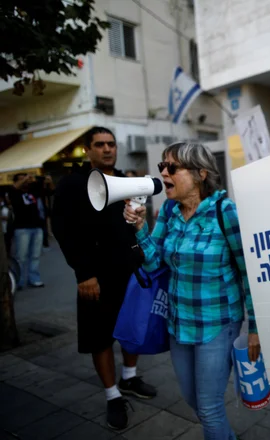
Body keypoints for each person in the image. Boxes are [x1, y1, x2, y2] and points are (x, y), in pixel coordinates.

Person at [123, 142, 260, 440]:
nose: (163, 172)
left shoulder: (225, 212)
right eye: (162, 166)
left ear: (200, 174)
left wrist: (256, 328)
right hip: (178, 324)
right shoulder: (170, 210)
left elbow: (249, 272)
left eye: (171, 167)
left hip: (217, 325)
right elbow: (153, 263)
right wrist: (141, 228)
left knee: (209, 408)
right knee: (193, 400)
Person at [52, 127, 158, 431]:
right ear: (88, 150)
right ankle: (112, 395)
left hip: (130, 270)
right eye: (100, 145)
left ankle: (129, 377)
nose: (107, 149)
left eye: (111, 144)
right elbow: (63, 230)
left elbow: (138, 222)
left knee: (132, 326)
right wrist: (83, 273)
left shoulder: (127, 179)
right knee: (99, 335)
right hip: (95, 275)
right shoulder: (72, 184)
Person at [8, 173, 44, 289]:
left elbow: (47, 189)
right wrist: (24, 180)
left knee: (35, 255)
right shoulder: (14, 193)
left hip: (37, 227)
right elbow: (14, 188)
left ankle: (34, 279)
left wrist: (33, 180)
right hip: (22, 228)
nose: (25, 181)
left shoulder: (32, 191)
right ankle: (20, 280)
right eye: (21, 179)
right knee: (21, 256)